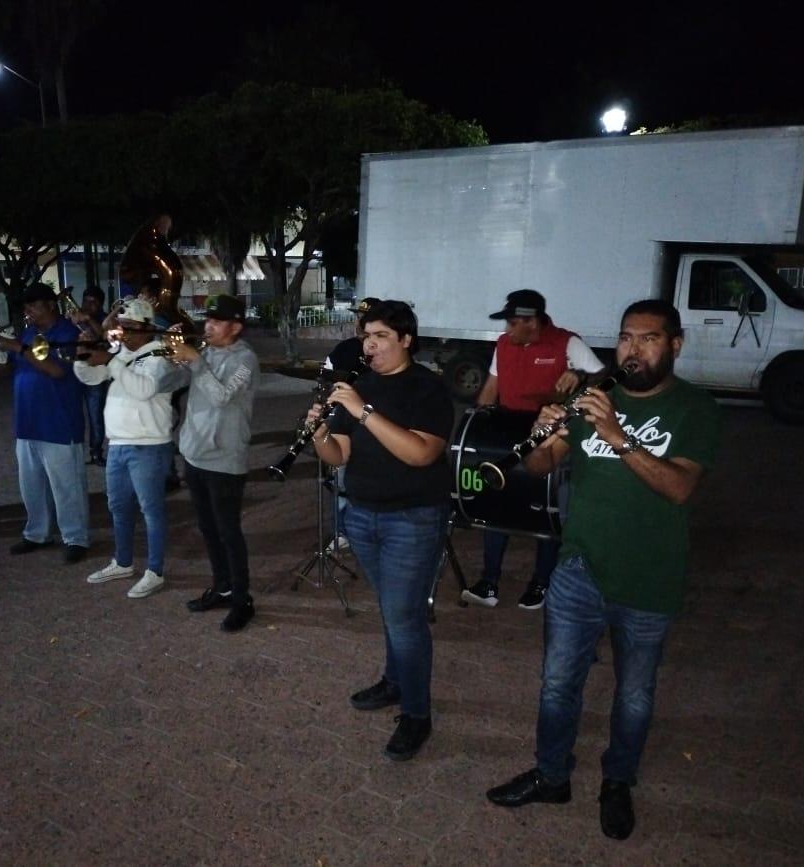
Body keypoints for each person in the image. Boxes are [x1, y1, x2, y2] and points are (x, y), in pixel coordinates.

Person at [485, 299, 721, 841]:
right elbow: (541, 464)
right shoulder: (597, 397)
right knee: (556, 683)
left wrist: (616, 435)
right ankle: (551, 776)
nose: (632, 350)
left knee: (634, 695)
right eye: (625, 339)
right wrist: (543, 435)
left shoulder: (695, 409)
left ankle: (617, 782)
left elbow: (680, 487)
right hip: (579, 568)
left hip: (649, 575)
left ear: (675, 345)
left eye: (648, 339)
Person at [308, 300, 454, 762]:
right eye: (366, 335)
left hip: (412, 518)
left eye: (381, 336)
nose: (369, 344)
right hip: (363, 515)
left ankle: (416, 714)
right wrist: (317, 435)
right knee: (394, 611)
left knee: (404, 617)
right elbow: (340, 456)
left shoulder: (427, 388)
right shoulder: (359, 385)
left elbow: (421, 454)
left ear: (406, 340)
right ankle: (396, 681)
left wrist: (364, 409)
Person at [462, 289, 605, 611]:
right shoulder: (503, 344)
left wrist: (580, 374)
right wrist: (476, 423)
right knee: (495, 502)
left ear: (532, 321)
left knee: (546, 507)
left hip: (549, 434)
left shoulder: (567, 343)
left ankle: (542, 581)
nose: (508, 330)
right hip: (507, 430)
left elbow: (604, 375)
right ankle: (489, 582)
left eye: (514, 323)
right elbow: (491, 386)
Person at [73, 298, 187, 597]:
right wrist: (82, 356)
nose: (123, 333)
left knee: (152, 511)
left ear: (147, 330)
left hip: (149, 447)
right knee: (118, 508)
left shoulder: (161, 356)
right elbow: (90, 376)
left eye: (130, 328)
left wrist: (111, 361)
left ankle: (155, 570)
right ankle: (122, 562)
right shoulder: (120, 353)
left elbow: (144, 389)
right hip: (119, 445)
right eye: (122, 327)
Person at [169, 294, 260, 633]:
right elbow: (170, 385)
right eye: (206, 320)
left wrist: (194, 361)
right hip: (194, 455)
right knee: (208, 529)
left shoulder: (246, 359)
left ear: (235, 327)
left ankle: (242, 599)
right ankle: (222, 587)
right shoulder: (204, 352)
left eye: (216, 321)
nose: (207, 326)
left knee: (228, 532)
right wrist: (171, 355)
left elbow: (223, 397)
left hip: (224, 460)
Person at [0, 285, 91, 564]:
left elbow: (56, 370)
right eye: (26, 308)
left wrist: (17, 347)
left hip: (59, 422)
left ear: (50, 305)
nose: (28, 312)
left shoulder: (68, 333)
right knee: (31, 484)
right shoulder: (28, 334)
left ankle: (76, 537)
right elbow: (6, 369)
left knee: (66, 486)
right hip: (27, 422)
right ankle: (36, 533)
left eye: (33, 306)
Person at [320, 297, 380, 550]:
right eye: (358, 317)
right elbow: (325, 378)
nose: (359, 322)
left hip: (375, 424)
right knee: (341, 478)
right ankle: (342, 532)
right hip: (344, 422)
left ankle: (372, 531)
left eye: (366, 318)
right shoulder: (343, 349)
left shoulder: (383, 351)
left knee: (372, 479)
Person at [79, 286, 109, 466]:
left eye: (94, 303)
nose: (89, 306)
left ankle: (96, 453)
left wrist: (89, 319)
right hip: (77, 371)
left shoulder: (105, 319)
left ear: (101, 304)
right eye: (86, 301)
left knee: (95, 416)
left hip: (96, 375)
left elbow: (103, 335)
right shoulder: (75, 316)